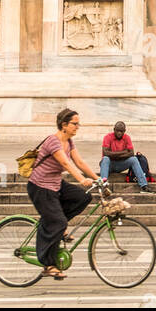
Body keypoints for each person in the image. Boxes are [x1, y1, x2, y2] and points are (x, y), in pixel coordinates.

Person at [26, 107, 99, 281]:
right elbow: (66, 164)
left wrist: (98, 179)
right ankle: (48, 265)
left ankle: (56, 224)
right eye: (75, 123)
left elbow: (79, 162)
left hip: (56, 184)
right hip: (40, 187)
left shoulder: (70, 142)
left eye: (78, 123)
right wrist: (81, 180)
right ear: (64, 125)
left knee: (83, 197)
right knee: (57, 222)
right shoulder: (54, 141)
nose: (78, 126)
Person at [99, 120, 153, 192]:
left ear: (124, 131)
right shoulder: (108, 137)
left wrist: (113, 154)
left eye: (121, 131)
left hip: (121, 164)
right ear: (114, 130)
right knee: (105, 159)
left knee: (133, 159)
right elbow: (106, 153)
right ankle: (104, 186)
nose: (119, 133)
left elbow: (131, 153)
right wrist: (123, 152)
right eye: (117, 131)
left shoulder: (127, 138)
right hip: (110, 165)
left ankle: (144, 185)